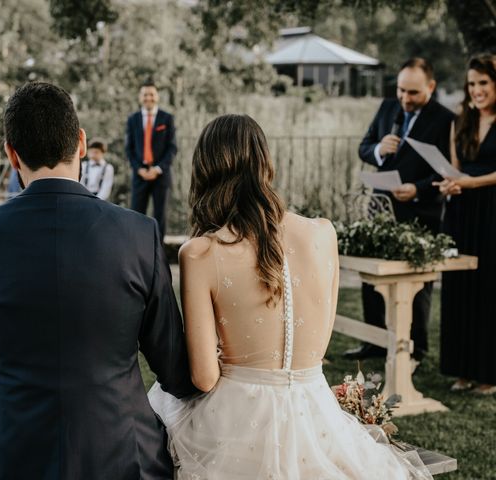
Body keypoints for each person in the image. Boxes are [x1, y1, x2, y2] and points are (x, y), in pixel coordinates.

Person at [148, 114, 432, 479]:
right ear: (267, 164)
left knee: (156, 412)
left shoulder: (200, 252)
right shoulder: (323, 233)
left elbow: (203, 378)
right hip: (315, 416)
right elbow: (320, 343)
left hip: (234, 419)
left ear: (204, 170)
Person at [0, 82, 196, 479]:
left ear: (12, 153)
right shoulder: (139, 233)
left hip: (10, 453)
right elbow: (173, 367)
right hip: (120, 453)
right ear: (81, 143)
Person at [345, 58, 455, 367]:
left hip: (422, 212)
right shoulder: (387, 107)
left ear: (430, 87)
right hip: (381, 208)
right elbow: (364, 147)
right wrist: (380, 149)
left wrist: (418, 189)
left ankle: (416, 349)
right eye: (401, 90)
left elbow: (448, 169)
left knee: (418, 282)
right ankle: (374, 341)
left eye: (413, 93)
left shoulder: (446, 119)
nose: (405, 99)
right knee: (371, 277)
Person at [435, 55, 496, 395]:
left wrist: (472, 183)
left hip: (491, 212)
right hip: (461, 212)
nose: (476, 90)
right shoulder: (460, 121)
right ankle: (461, 369)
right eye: (472, 84)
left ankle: (488, 372)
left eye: (483, 83)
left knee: (488, 289)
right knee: (459, 289)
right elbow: (454, 167)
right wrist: (452, 184)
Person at [125, 80, 177, 241]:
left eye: (152, 94)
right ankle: (136, 250)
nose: (149, 97)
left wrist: (158, 168)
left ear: (157, 96)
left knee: (160, 216)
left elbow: (172, 148)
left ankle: (158, 253)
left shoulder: (167, 118)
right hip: (140, 174)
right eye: (145, 94)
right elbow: (129, 148)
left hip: (161, 175)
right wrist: (138, 169)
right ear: (140, 97)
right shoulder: (133, 119)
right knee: (136, 214)